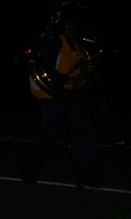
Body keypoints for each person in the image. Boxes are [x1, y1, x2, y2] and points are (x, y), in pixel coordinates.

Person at [20, 18, 101, 186]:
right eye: (67, 27)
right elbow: (45, 68)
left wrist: (89, 75)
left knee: (82, 132)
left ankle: (86, 173)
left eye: (73, 27)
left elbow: (82, 71)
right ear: (61, 29)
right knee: (50, 134)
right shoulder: (55, 45)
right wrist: (65, 80)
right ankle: (27, 167)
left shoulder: (78, 47)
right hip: (52, 96)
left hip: (72, 96)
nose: (71, 30)